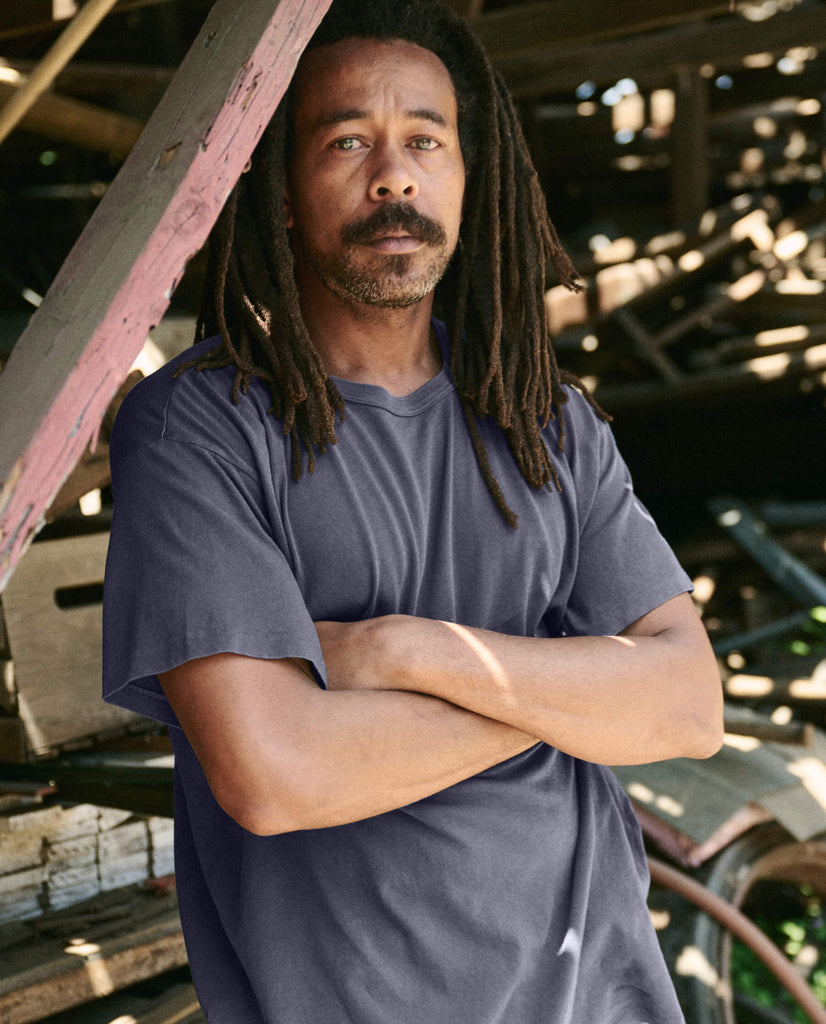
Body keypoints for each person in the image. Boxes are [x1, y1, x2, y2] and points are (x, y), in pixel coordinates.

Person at [103, 2, 723, 1021]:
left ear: (471, 180)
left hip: (601, 994)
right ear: (282, 192)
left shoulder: (545, 418)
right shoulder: (198, 428)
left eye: (425, 141)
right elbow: (277, 775)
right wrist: (572, 701)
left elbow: (689, 705)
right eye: (347, 141)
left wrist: (400, 650)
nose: (394, 176)